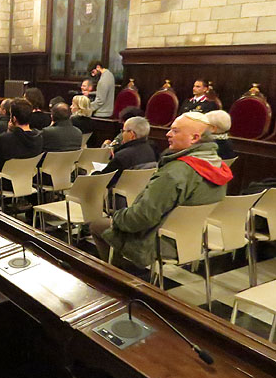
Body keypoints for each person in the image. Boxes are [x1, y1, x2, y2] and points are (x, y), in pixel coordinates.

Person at [90, 112, 232, 270]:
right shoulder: (217, 165)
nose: (168, 134)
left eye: (175, 131)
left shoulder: (175, 173)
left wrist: (116, 218)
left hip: (158, 240)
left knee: (97, 225)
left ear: (194, 138)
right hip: (193, 238)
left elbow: (142, 217)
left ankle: (119, 276)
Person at [93, 116, 157, 188]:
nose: (122, 134)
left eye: (123, 131)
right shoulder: (151, 150)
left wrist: (93, 173)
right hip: (139, 191)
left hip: (117, 192)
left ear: (132, 134)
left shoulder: (122, 156)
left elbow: (102, 180)